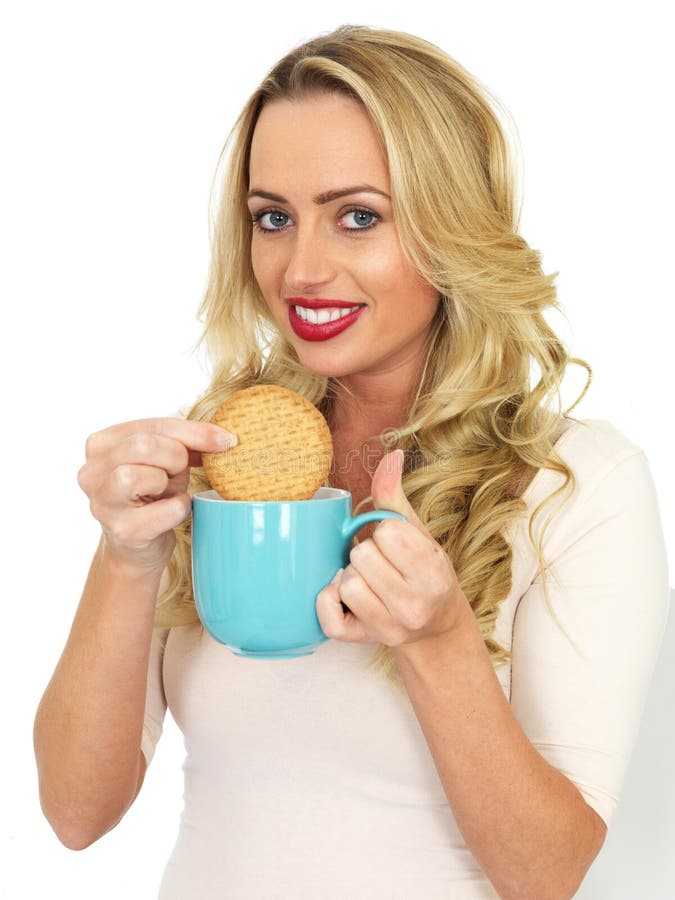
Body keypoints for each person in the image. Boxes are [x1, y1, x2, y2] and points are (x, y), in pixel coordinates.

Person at [33, 24, 670, 899]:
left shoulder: (575, 483)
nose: (301, 268)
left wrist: (439, 641)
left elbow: (548, 873)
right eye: (273, 218)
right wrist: (125, 557)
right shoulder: (212, 455)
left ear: (452, 224)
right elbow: (76, 813)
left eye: (358, 216)